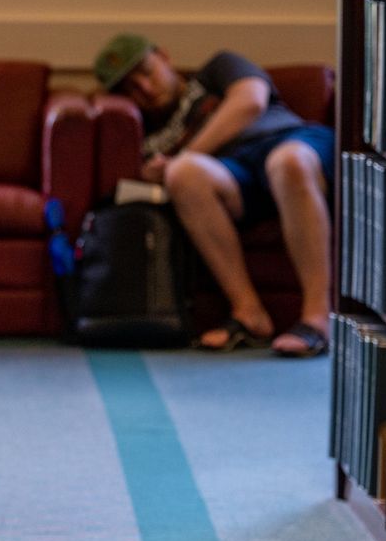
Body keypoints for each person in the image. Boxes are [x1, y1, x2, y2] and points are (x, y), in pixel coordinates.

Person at [93, 33, 333, 357]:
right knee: (183, 175)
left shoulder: (218, 68)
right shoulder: (146, 134)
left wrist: (186, 152)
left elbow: (250, 101)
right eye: (130, 89)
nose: (145, 90)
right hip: (236, 176)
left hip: (290, 141)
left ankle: (317, 318)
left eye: (147, 73)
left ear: (164, 57)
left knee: (286, 163)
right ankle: (248, 313)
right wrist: (160, 172)